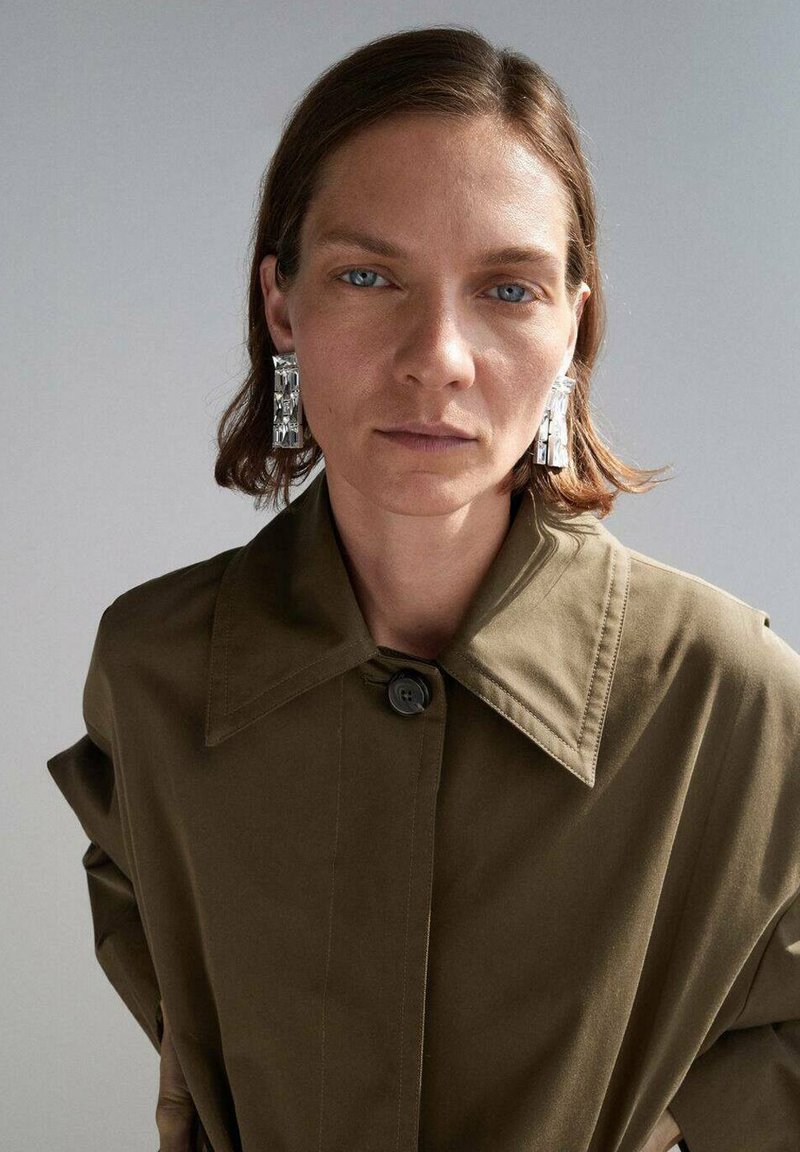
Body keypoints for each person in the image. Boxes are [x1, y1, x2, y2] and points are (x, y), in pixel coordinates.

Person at [47, 25, 800, 1152]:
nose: (437, 356)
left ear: (573, 323)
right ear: (282, 305)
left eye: (507, 288)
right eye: (367, 276)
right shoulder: (152, 667)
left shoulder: (729, 697)